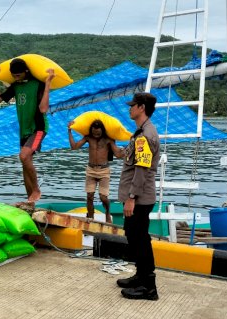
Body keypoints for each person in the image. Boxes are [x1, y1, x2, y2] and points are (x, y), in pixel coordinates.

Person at [0, 59, 54, 204]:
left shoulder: (37, 84)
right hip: (24, 131)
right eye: (14, 76)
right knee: (25, 163)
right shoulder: (16, 86)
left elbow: (43, 109)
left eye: (18, 75)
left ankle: (36, 190)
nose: (16, 78)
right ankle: (30, 201)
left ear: (26, 72)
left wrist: (48, 84)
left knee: (24, 156)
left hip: (38, 129)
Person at [116, 92, 160, 301]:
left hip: (139, 198)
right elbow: (130, 157)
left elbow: (141, 169)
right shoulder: (141, 132)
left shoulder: (145, 136)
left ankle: (148, 287)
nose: (129, 108)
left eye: (132, 105)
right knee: (135, 236)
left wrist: (131, 197)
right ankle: (141, 276)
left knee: (140, 239)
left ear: (141, 107)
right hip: (138, 196)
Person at [68, 120, 124, 223]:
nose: (96, 135)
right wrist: (70, 131)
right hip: (91, 170)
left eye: (98, 133)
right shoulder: (88, 138)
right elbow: (74, 147)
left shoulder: (109, 140)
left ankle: (107, 212)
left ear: (102, 130)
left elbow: (118, 155)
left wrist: (127, 149)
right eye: (94, 133)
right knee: (89, 196)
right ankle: (91, 217)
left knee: (103, 197)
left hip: (104, 170)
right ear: (91, 131)